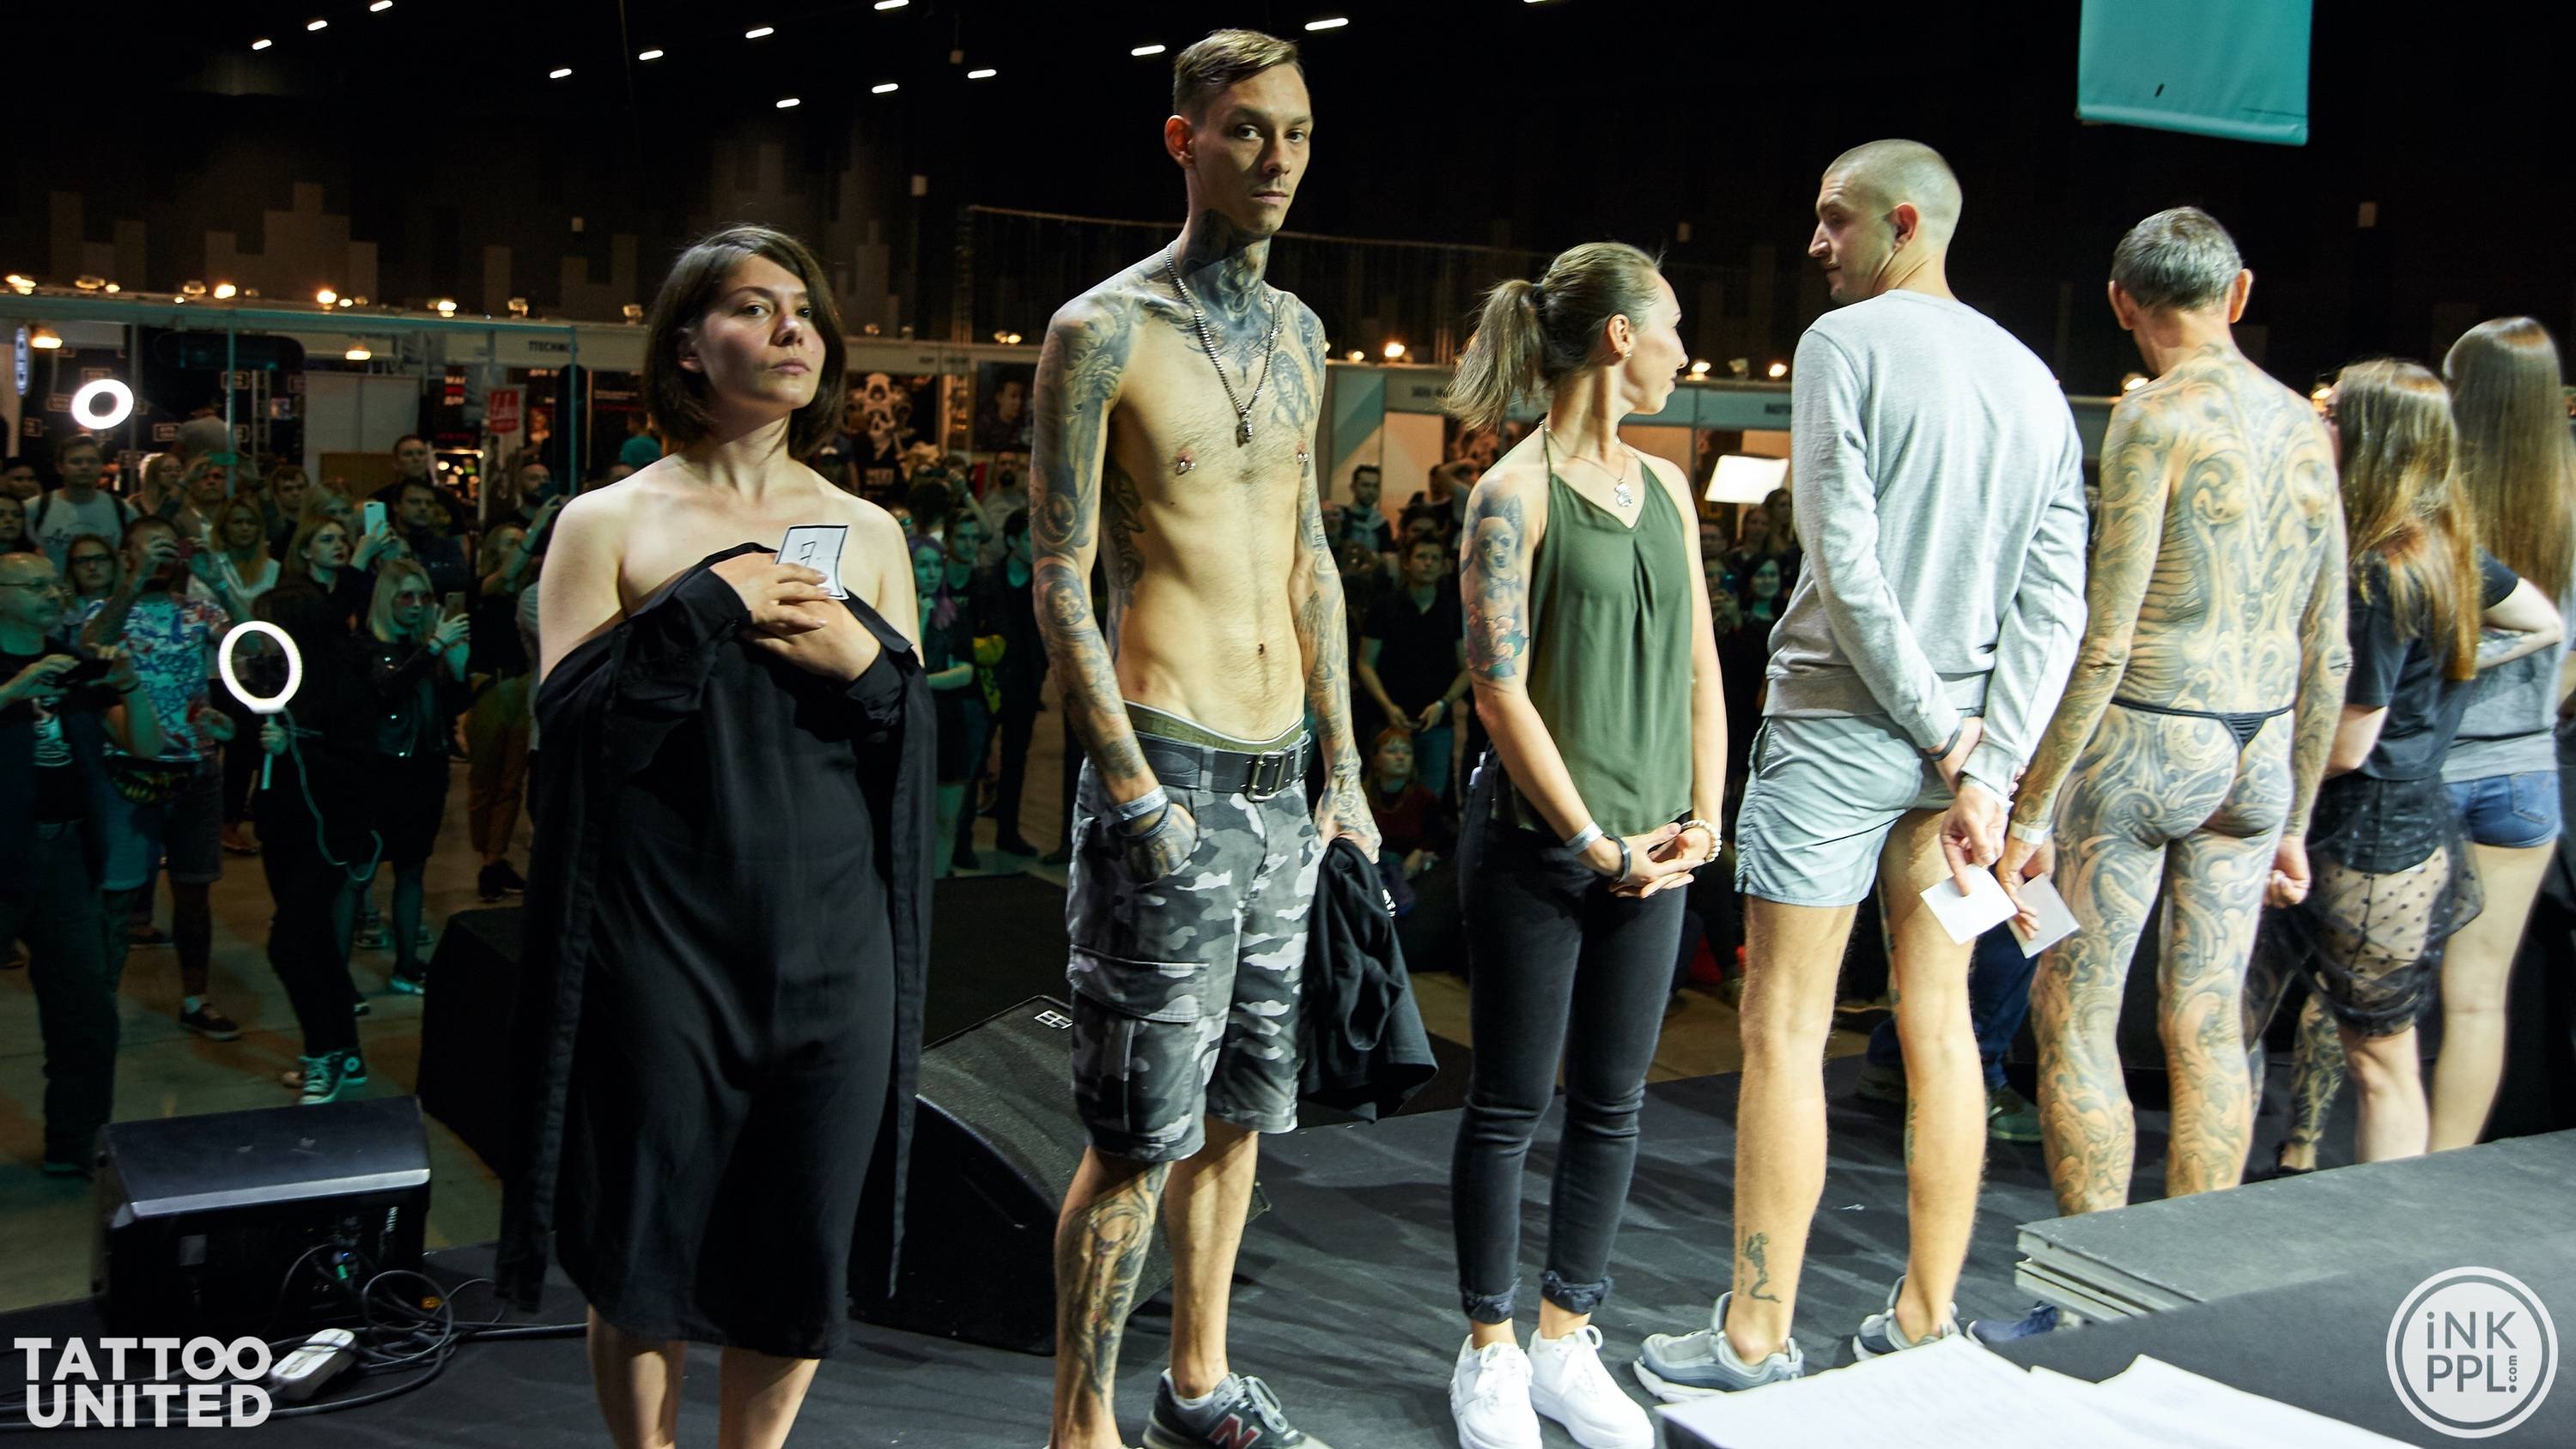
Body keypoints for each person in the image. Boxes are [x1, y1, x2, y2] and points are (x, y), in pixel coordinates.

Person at [1638, 140, 2087, 1396]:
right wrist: (1989, 760)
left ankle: (1754, 1337)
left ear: (1903, 224)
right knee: (1938, 1024)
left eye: (1834, 220)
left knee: (1785, 1024)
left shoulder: (1845, 345)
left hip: (1847, 727)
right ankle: (1925, 1319)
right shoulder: (2033, 377)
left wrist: (1948, 738)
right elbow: (2056, 602)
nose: (1815, 244)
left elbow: (1845, 559)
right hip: (1965, 765)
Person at [496, 223, 931, 1449]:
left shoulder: (870, 531)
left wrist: (867, 667)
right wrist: (699, 606)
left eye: (804, 308)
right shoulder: (607, 520)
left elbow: (912, 745)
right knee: (644, 1240)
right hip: (661, 942)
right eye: (752, 305)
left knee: (797, 1244)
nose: (792, 327)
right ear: (687, 346)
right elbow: (570, 731)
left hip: (835, 943)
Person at [1031, 30, 1375, 1449]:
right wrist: (1127, 785)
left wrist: (1346, 768)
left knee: (1242, 1115)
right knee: (1135, 1135)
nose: (1278, 157)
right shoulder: (1101, 331)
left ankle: (1197, 1386)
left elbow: (1309, 556)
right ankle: (1080, 1427)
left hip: (1283, 776)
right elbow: (1059, 570)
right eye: (1247, 130)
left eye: (1297, 132)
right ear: (1186, 141)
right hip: (1167, 761)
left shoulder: (1302, 335)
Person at [1990, 208, 2349, 1214]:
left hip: (2149, 735)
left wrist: (2030, 810)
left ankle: (2092, 1275)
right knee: (2208, 1021)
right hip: (2260, 748)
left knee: (2076, 1015)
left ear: (2121, 304)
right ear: (2239, 293)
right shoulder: (2307, 426)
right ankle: (2193, 1271)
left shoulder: (2152, 417)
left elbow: (2107, 638)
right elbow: (2329, 645)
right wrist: (2295, 820)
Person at [1437, 241, 1722, 1449]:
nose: (1682, 353)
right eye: (1672, 329)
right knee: (1509, 1104)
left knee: (1613, 1104)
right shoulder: (1512, 492)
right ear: (1619, 336)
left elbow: (1703, 663)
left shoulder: (1667, 489)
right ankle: (1490, 1349)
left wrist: (1706, 814)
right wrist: (1598, 842)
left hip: (1659, 853)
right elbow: (1498, 692)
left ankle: (1566, 1335)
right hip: (1542, 853)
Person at [2243, 360, 2561, 1167]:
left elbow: (2348, 744)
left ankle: (2379, 1218)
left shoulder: (2381, 569)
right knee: (2364, 1049)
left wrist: (2264, 781)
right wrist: (2454, 666)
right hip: (2404, 821)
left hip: (2362, 828)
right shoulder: (2445, 547)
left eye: (2333, 414)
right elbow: (2543, 623)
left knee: (2372, 1057)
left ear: (2370, 437)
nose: (2319, 423)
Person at [2426, 318, 2576, 1150]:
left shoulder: (2439, 499)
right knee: (2479, 998)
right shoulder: (2569, 502)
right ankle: (2438, 1172)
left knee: (2377, 1004)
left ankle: (2359, 1167)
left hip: (2429, 771)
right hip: (2527, 778)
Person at [1, 552, 163, 1173]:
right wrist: (12, 692)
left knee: (86, 1013)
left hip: (65, 854)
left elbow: (145, 743)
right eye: (34, 585)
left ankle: (74, 1144)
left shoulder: (72, 664)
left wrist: (129, 683)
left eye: (54, 584)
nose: (52, 594)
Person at [73, 514, 246, 1040]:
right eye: (150, 548)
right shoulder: (105, 607)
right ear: (127, 556)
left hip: (195, 766)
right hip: (128, 767)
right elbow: (91, 646)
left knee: (194, 892)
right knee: (119, 895)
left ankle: (196, 999)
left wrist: (220, 582)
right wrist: (134, 582)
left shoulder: (198, 609)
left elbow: (254, 646)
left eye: (168, 549)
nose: (161, 557)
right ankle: (98, 1009)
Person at [355, 561, 469, 994]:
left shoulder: (425, 648)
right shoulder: (367, 646)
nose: (418, 605)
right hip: (380, 773)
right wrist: (436, 648)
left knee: (412, 870)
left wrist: (457, 666)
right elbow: (388, 690)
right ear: (387, 598)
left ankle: (407, 965)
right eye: (406, 595)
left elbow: (448, 709)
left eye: (424, 596)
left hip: (425, 771)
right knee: (358, 874)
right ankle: (337, 981)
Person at [1358, 537, 1470, 798]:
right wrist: (1388, 706)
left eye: (1435, 558)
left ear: (1444, 566)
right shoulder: (1384, 607)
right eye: (1421, 557)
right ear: (1406, 563)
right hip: (1387, 718)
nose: (1428, 563)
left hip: (1436, 722)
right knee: (1379, 797)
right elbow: (1365, 663)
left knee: (1430, 799)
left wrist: (1443, 703)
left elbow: (1467, 668)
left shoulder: (1453, 610)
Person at [203, 498, 283, 858]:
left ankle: (230, 821)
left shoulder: (274, 569)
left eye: (250, 522)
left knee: (244, 749)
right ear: (224, 527)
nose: (244, 528)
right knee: (212, 749)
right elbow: (205, 616)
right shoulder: (208, 567)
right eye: (236, 522)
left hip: (257, 672)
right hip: (214, 668)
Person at [466, 521, 539, 901]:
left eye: (522, 542)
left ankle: (493, 860)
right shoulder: (482, 588)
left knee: (511, 783)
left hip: (522, 684)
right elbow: (504, 577)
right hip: (492, 687)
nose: (519, 549)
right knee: (484, 781)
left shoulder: (532, 594)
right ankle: (487, 853)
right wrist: (538, 525)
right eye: (510, 542)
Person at [918, 532, 987, 877]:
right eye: (922, 565)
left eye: (936, 565)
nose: (931, 573)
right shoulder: (894, 613)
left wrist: (923, 682)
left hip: (949, 722)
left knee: (947, 817)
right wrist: (919, 618)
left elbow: (966, 673)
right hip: (911, 724)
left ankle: (941, 884)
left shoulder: (953, 613)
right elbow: (905, 663)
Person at [983, 507, 1047, 857]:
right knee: (979, 760)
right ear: (1011, 541)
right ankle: (960, 839)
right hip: (989, 684)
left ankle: (1008, 832)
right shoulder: (988, 581)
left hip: (1025, 685)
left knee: (1016, 761)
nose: (1035, 545)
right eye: (1028, 538)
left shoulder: (1041, 585)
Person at [29, 435, 133, 570]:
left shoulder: (123, 510)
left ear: (101, 466)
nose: (85, 467)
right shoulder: (35, 509)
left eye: (92, 461)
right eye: (76, 462)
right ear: (60, 467)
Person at [395, 478, 472, 600]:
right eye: (414, 502)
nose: (423, 508)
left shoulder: (448, 547)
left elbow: (461, 579)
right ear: (396, 506)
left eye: (429, 504)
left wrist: (405, 574)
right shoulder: (384, 545)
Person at [1345, 464, 1394, 556]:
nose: (1371, 491)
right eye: (1365, 485)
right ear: (1353, 487)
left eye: (1375, 486)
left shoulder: (1382, 524)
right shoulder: (1341, 519)